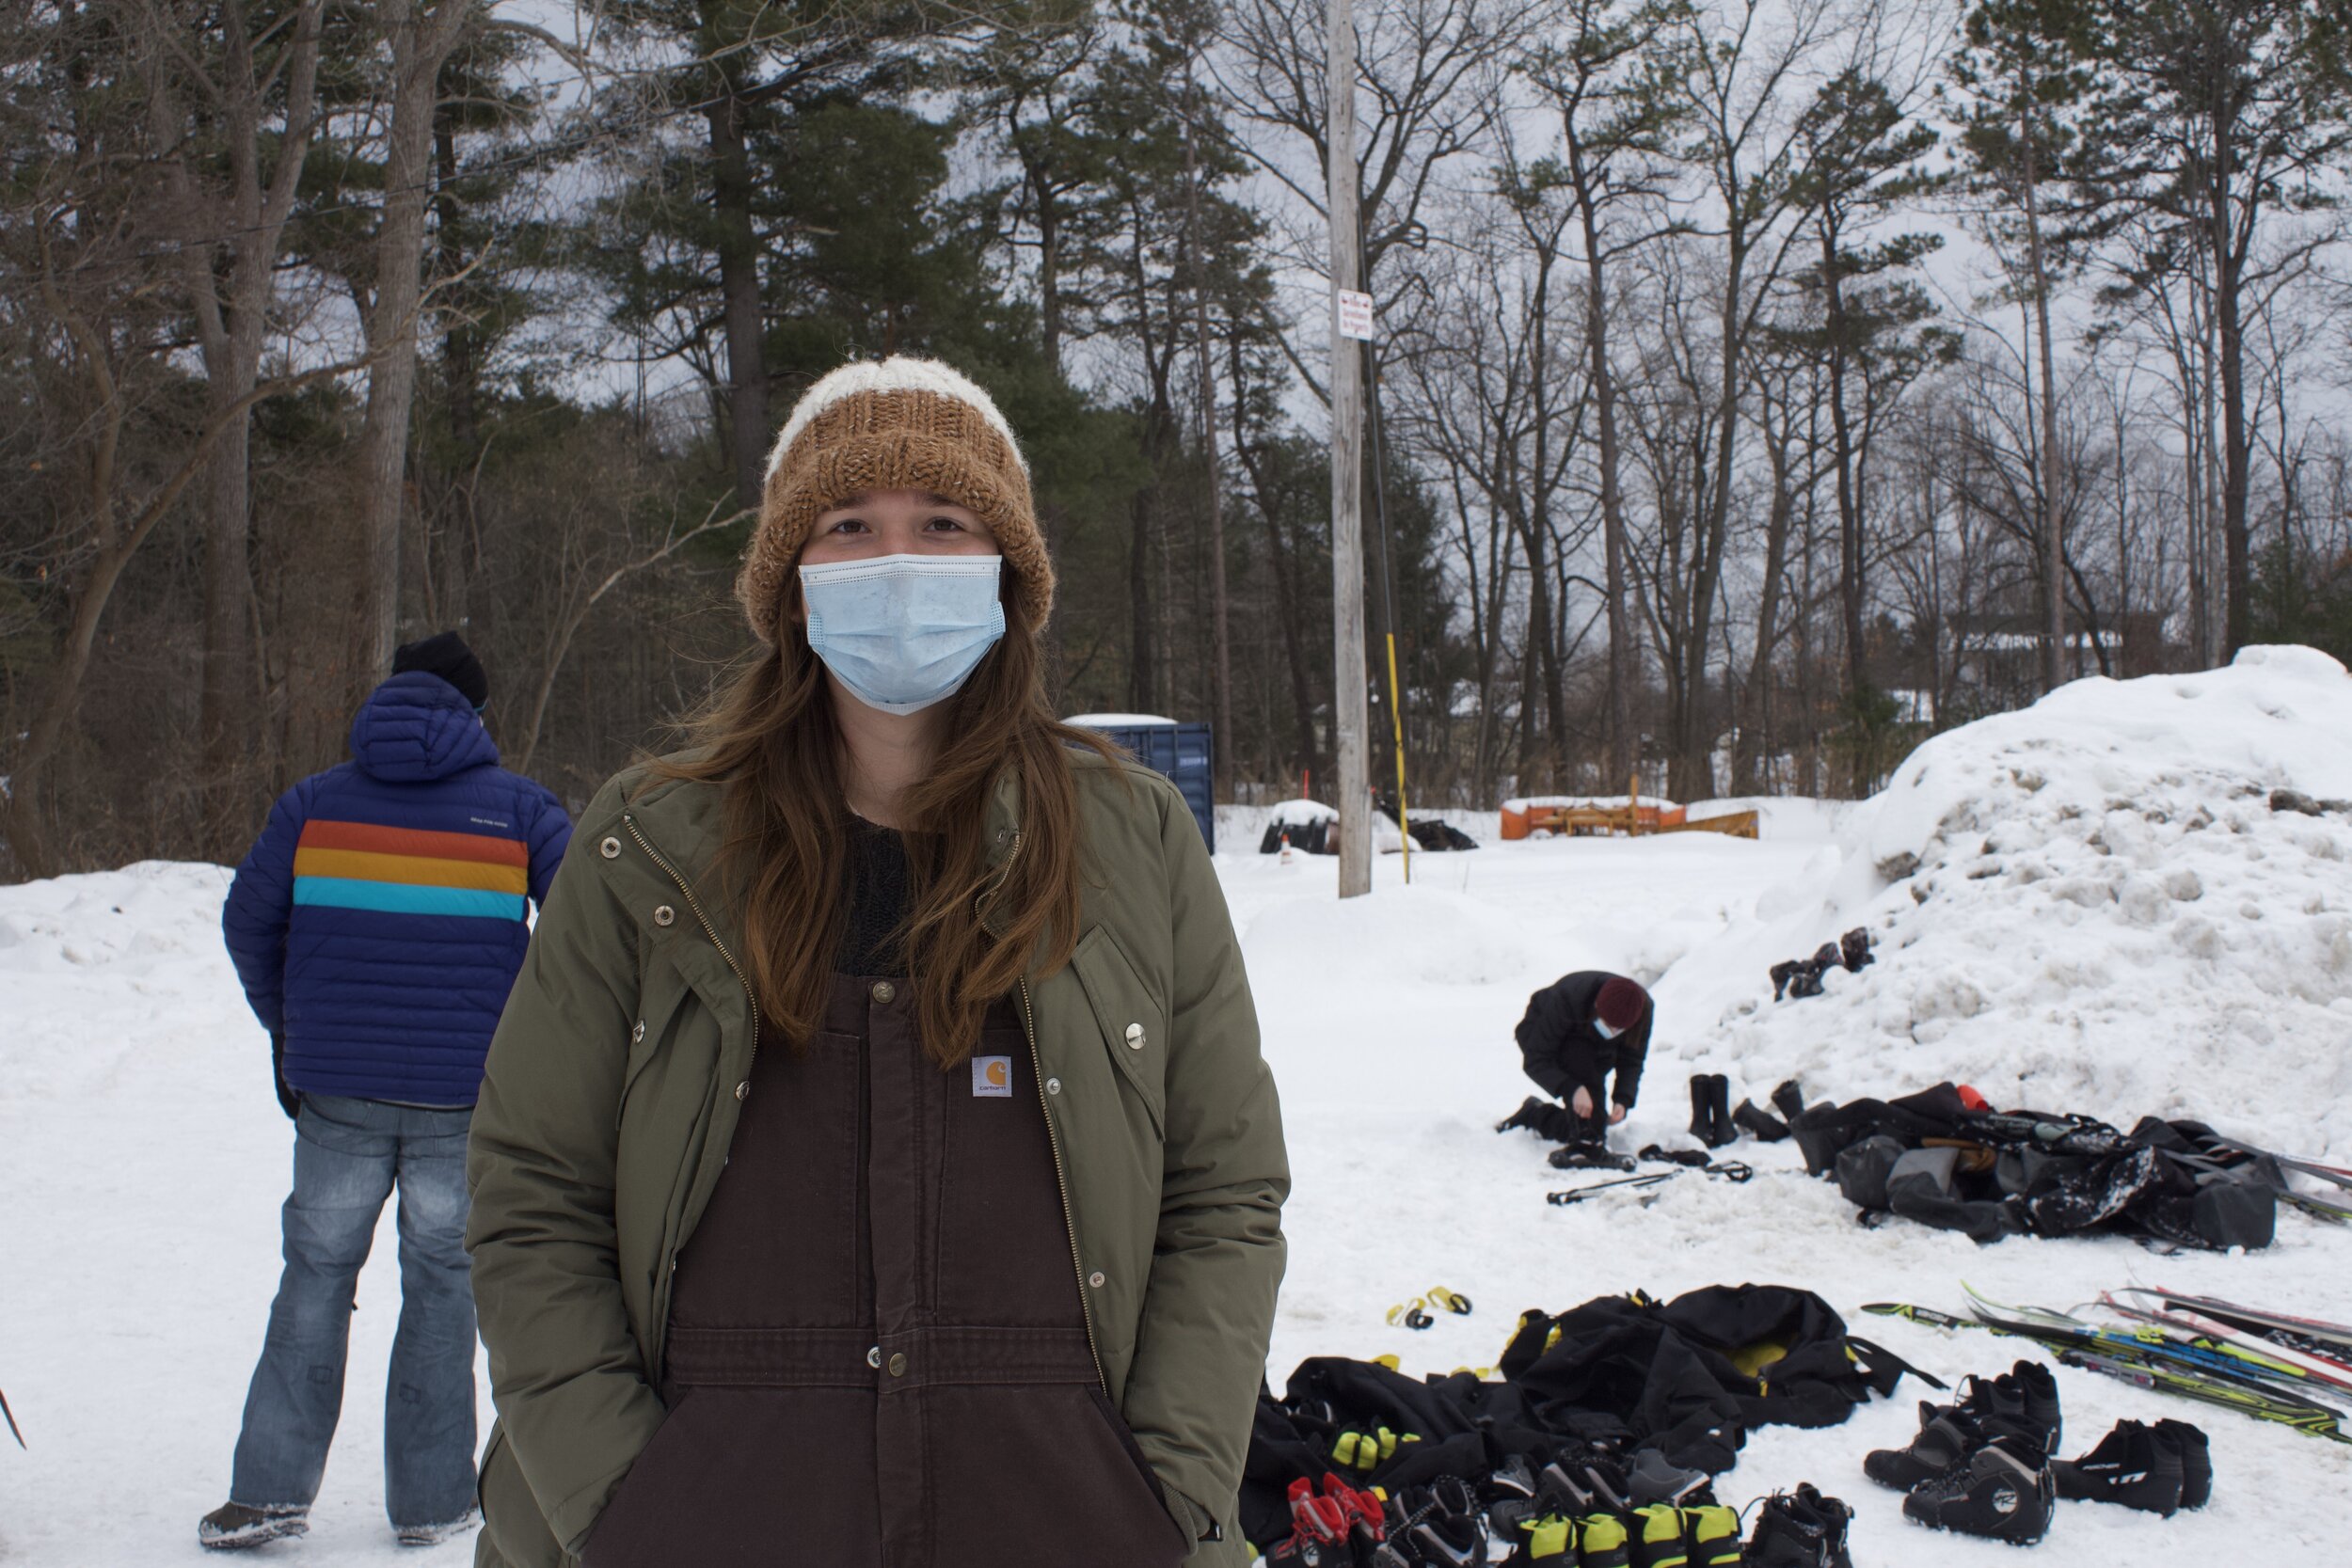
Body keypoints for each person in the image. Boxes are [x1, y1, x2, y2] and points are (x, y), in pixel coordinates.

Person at [464, 356, 1290, 1568]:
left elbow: (1224, 1191)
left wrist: (1165, 1491)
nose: (898, 561)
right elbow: (533, 1190)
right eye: (851, 525)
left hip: (1064, 1514)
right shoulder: (650, 840)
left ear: (1007, 571)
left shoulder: (1133, 834)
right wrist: (618, 1502)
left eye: (943, 525)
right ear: (791, 584)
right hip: (713, 1519)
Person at [201, 634, 572, 1551]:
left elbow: (249, 918)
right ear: (475, 715)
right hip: (467, 1096)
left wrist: (292, 1025)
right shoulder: (522, 810)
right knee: (444, 1284)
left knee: (314, 1276)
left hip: (337, 1091)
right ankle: (433, 1499)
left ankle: (266, 1492)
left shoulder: (314, 804)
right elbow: (583, 937)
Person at [1497, 972, 1653, 1145]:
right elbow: (1536, 1059)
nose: (1614, 1032)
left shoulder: (1642, 1010)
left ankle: (1536, 1113)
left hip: (1597, 1050)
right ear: (1596, 1006)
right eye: (1609, 1025)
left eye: (1621, 1029)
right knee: (1587, 1127)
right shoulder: (1568, 997)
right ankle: (1576, 1132)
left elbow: (1632, 1059)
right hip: (1547, 1038)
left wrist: (1623, 1099)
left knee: (1595, 1125)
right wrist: (1572, 1088)